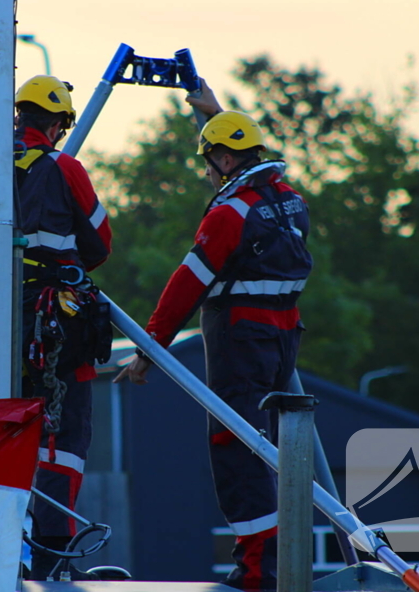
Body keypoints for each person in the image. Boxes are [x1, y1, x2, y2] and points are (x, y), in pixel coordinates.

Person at [113, 80, 312, 590]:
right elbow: (243, 168)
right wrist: (214, 113)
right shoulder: (289, 201)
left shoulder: (228, 214)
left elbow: (187, 285)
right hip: (281, 342)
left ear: (225, 160)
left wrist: (148, 350)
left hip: (240, 342)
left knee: (235, 449)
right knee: (270, 452)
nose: (207, 172)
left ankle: (257, 571)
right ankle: (276, 564)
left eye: (209, 161)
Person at [0, 75, 113, 581]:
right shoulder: (64, 168)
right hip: (54, 325)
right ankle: (52, 563)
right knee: (63, 439)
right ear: (56, 125)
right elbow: (99, 244)